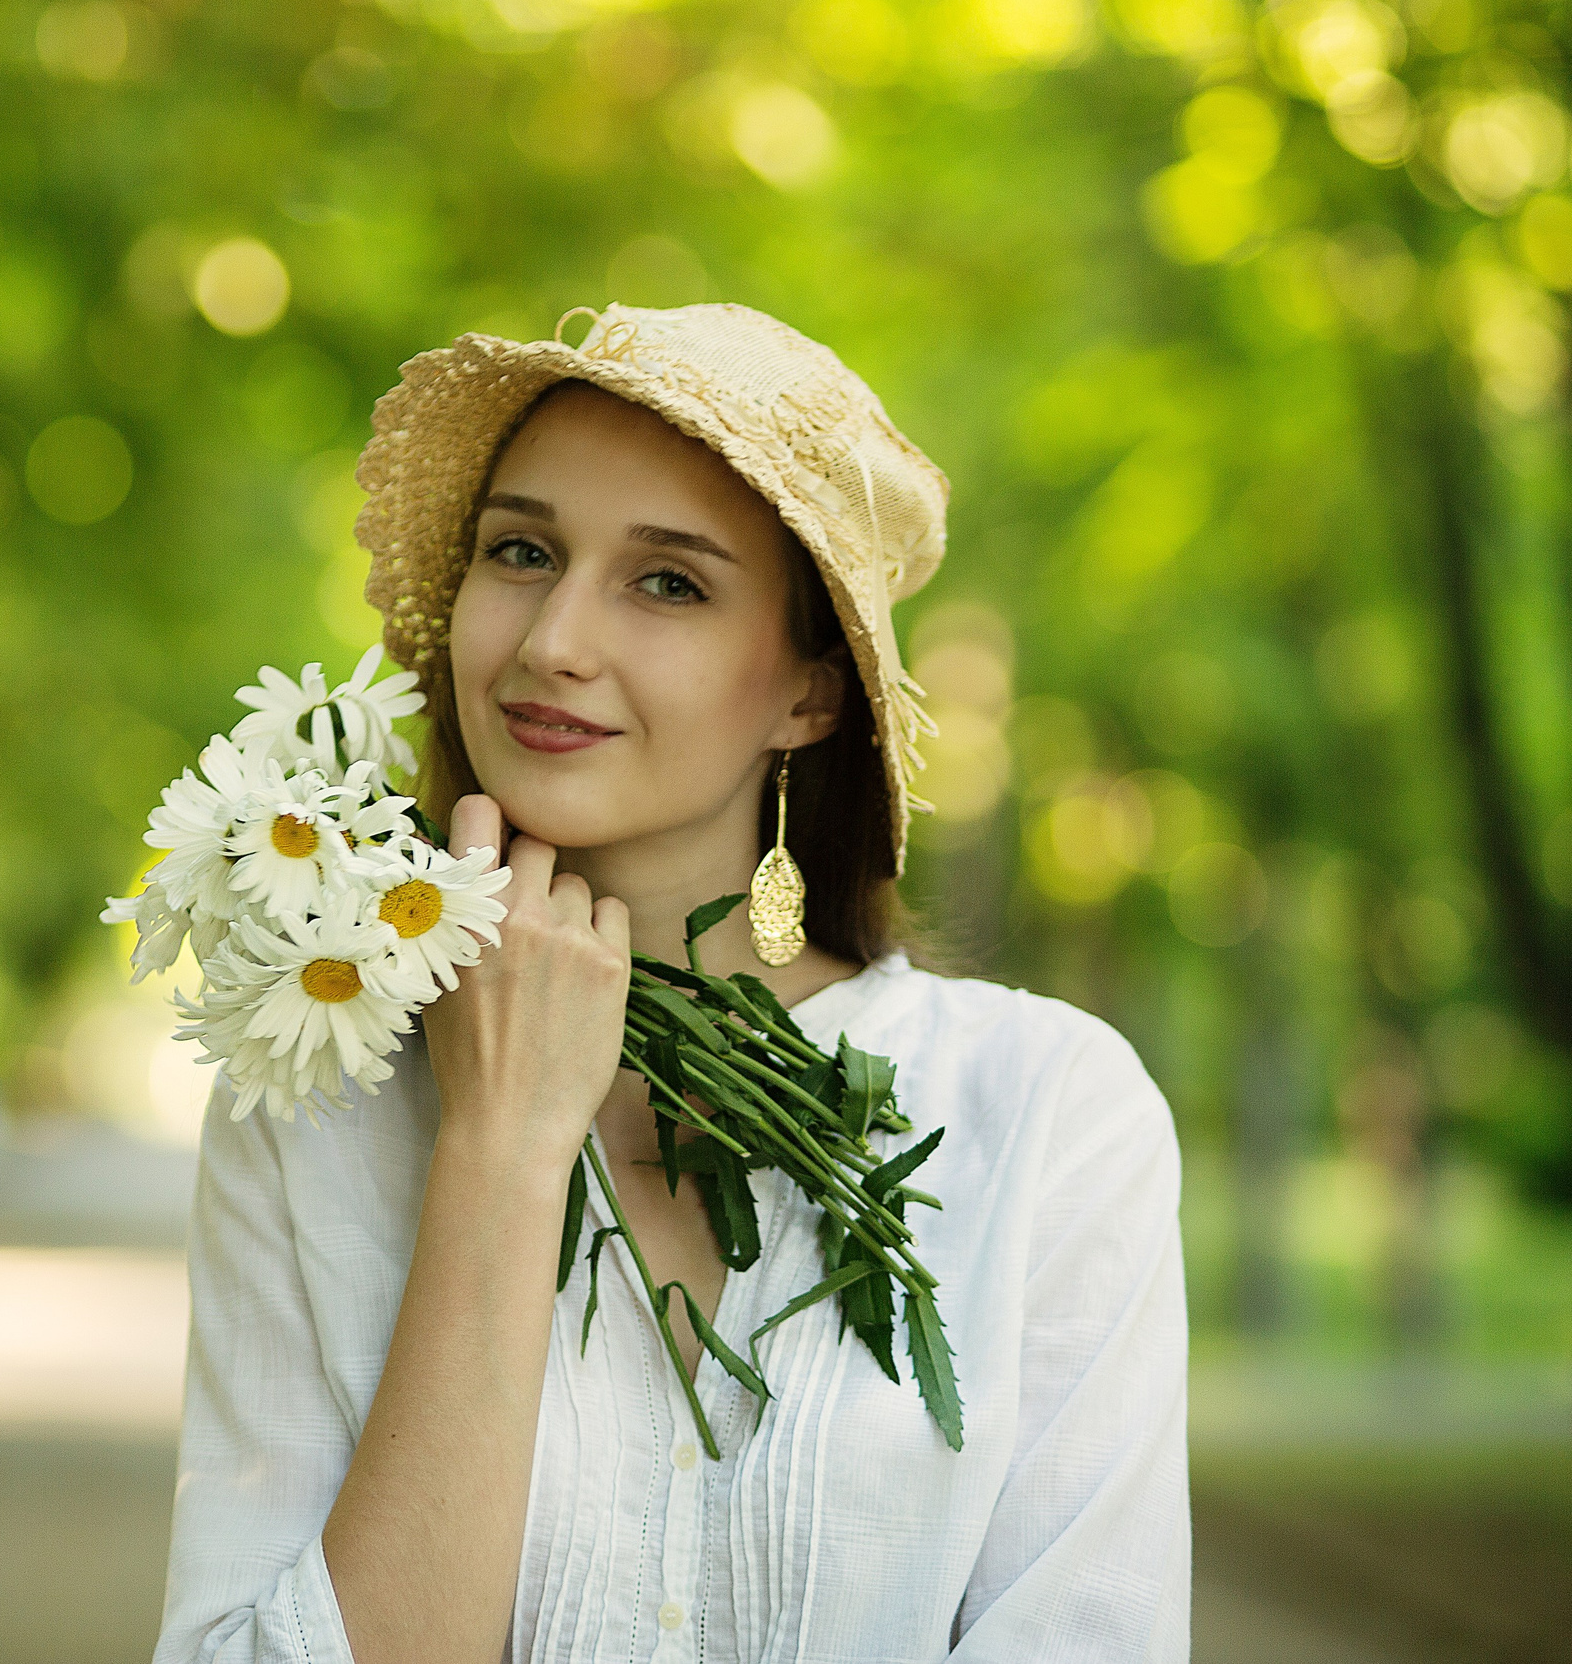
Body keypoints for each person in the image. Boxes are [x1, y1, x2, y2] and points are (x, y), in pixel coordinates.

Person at [152, 303, 1190, 1663]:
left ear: (810, 697)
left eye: (669, 583)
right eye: (522, 552)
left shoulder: (1046, 1115)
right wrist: (505, 1152)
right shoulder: (312, 1102)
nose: (552, 643)